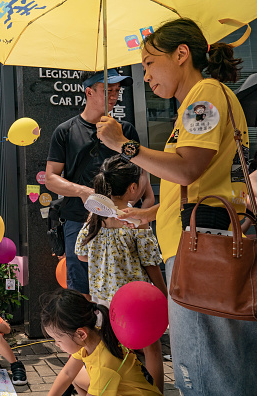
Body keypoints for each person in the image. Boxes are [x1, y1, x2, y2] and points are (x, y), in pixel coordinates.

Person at [96, 17, 257, 395]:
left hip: (200, 251)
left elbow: (188, 168)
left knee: (205, 369)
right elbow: (198, 181)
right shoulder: (204, 99)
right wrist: (150, 213)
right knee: (229, 366)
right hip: (208, 243)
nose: (146, 77)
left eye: (150, 63)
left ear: (181, 54)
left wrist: (124, 144)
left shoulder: (203, 96)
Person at [45, 69, 154, 299]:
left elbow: (142, 173)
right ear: (89, 92)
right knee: (82, 291)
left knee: (128, 284)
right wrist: (83, 191)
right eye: (108, 90)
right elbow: (51, 178)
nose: (114, 95)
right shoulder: (65, 131)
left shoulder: (126, 130)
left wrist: (138, 201)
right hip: (79, 220)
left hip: (123, 219)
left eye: (117, 90)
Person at [75, 155, 167, 392]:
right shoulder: (137, 220)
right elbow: (150, 262)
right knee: (151, 347)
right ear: (133, 188)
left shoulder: (94, 220)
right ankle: (156, 391)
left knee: (110, 349)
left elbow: (81, 254)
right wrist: (163, 294)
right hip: (135, 301)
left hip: (104, 303)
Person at [41, 289, 162, 396]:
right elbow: (67, 373)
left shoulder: (103, 366)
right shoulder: (93, 338)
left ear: (81, 334)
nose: (56, 344)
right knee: (75, 375)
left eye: (58, 340)